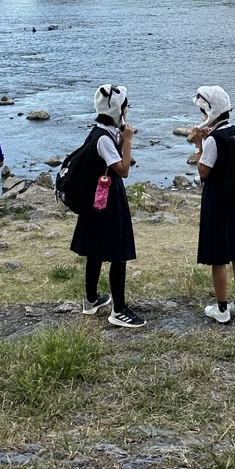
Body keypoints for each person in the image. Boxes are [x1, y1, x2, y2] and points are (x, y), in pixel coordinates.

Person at [69, 84, 145, 329]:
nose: (126, 112)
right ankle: (119, 310)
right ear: (116, 110)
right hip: (108, 201)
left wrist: (122, 137)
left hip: (96, 201)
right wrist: (129, 141)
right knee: (117, 252)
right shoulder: (103, 139)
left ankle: (91, 300)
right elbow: (122, 170)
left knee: (95, 250)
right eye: (125, 108)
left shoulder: (100, 132)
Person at [189, 85, 235, 326]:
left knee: (218, 256)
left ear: (210, 113)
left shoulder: (213, 139)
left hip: (216, 200)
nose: (202, 118)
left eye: (203, 113)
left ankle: (222, 308)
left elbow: (204, 172)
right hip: (234, 200)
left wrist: (198, 145)